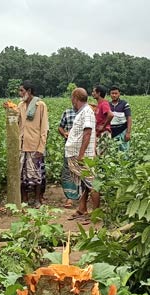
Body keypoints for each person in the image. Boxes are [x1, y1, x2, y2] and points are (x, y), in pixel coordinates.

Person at [65, 88, 99, 222]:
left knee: (92, 183)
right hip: (77, 153)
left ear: (75, 98)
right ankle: (82, 209)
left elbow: (87, 133)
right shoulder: (84, 111)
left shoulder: (87, 112)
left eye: (72, 98)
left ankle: (96, 214)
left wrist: (80, 155)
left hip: (82, 155)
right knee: (85, 183)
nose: (71, 101)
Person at [17, 81, 49, 207]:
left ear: (29, 91)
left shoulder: (40, 105)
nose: (20, 93)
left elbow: (44, 128)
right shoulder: (20, 105)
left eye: (22, 91)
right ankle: (24, 199)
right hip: (21, 144)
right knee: (21, 173)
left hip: (34, 144)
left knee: (36, 174)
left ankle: (37, 199)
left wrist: (41, 147)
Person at [58, 107, 79, 208]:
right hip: (69, 146)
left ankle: (82, 197)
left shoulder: (87, 112)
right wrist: (64, 133)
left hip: (83, 146)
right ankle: (70, 198)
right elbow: (60, 127)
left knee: (82, 171)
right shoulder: (67, 112)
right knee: (68, 171)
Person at [109, 86, 132, 152]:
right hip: (112, 131)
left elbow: (129, 118)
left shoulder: (124, 104)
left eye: (116, 93)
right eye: (112, 93)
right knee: (112, 151)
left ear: (119, 94)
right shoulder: (108, 105)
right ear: (110, 94)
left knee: (124, 151)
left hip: (122, 131)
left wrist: (128, 133)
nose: (114, 95)